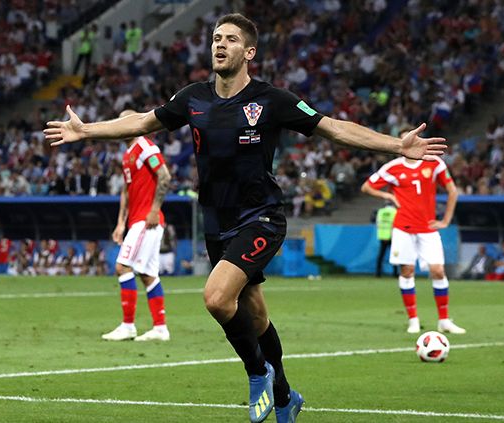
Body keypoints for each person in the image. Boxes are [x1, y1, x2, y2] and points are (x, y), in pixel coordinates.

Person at [45, 13, 446, 423]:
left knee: (217, 299)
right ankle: (286, 396)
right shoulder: (193, 98)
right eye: (216, 38)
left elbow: (333, 128)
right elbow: (143, 121)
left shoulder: (272, 100)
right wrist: (87, 130)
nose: (220, 45)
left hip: (261, 217)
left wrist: (397, 144)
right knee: (255, 317)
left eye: (231, 39)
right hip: (217, 221)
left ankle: (259, 374)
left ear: (249, 52)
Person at [361, 128, 465, 335]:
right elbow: (366, 187)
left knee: (437, 270)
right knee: (407, 271)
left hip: (428, 228)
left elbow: (452, 190)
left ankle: (444, 320)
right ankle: (413, 320)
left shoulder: (434, 163)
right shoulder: (392, 168)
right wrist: (388, 197)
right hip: (403, 228)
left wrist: (445, 220)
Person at [103, 110, 172, 342]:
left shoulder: (145, 146)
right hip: (136, 220)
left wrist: (154, 210)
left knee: (123, 267)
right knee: (147, 274)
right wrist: (120, 222)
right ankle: (160, 328)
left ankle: (128, 325)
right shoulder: (128, 154)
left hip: (146, 219)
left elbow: (164, 176)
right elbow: (126, 189)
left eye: (123, 121)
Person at [374, 201, 397, 278]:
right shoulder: (395, 211)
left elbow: (377, 223)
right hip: (392, 236)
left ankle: (378, 273)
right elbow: (396, 224)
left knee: (380, 256)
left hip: (382, 235)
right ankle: (395, 273)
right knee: (394, 255)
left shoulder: (380, 211)